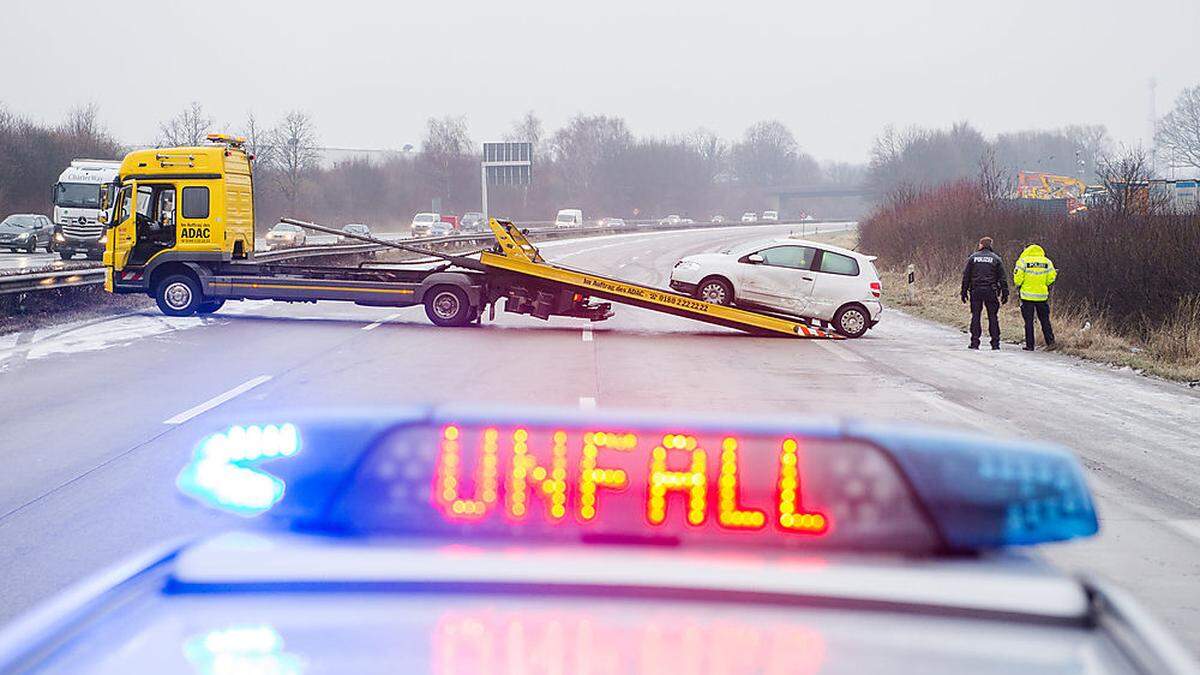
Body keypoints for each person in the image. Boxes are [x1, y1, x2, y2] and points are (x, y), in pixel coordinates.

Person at [960, 236, 1008, 350]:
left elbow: (966, 276)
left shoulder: (973, 258)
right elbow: (1002, 278)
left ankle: (975, 342)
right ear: (990, 245)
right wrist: (1005, 293)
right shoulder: (996, 259)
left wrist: (963, 292)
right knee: (993, 317)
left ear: (981, 245)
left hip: (976, 290)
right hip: (991, 291)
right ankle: (995, 343)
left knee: (976, 316)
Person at [1013, 243, 1057, 351]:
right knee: (1045, 320)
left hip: (1027, 296)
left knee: (1028, 322)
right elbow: (1051, 278)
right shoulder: (1047, 262)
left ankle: (1030, 345)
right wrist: (1043, 284)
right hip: (1042, 296)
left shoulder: (1023, 261)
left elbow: (1017, 280)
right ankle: (1050, 342)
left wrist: (1022, 285)